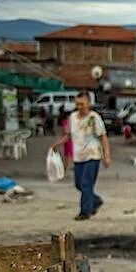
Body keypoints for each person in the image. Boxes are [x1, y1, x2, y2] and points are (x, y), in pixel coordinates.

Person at [49, 92, 111, 221]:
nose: (80, 106)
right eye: (77, 104)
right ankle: (96, 200)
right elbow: (68, 135)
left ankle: (85, 212)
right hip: (79, 156)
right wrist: (57, 144)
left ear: (88, 104)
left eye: (82, 104)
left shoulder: (94, 118)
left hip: (92, 155)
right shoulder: (73, 117)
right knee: (79, 184)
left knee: (86, 183)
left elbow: (103, 137)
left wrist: (106, 156)